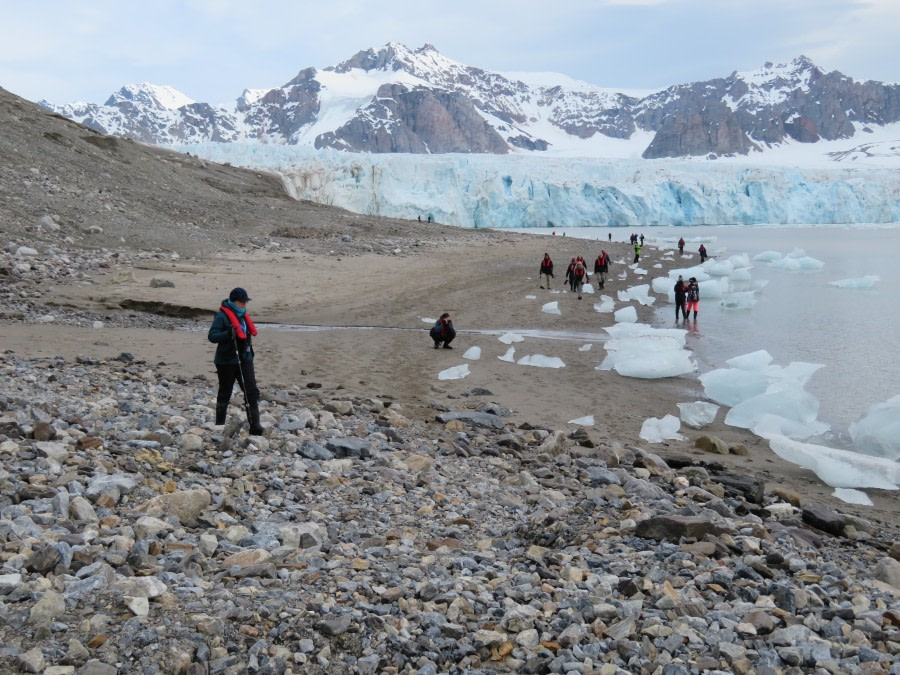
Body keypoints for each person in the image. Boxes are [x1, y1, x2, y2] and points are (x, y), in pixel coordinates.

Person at [208, 287, 264, 435]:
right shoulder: (221, 316)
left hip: (245, 358)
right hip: (226, 361)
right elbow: (212, 336)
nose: (244, 305)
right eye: (241, 302)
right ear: (233, 301)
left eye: (245, 302)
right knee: (225, 392)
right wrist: (228, 333)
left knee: (251, 391)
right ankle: (219, 425)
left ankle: (255, 425)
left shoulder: (243, 315)